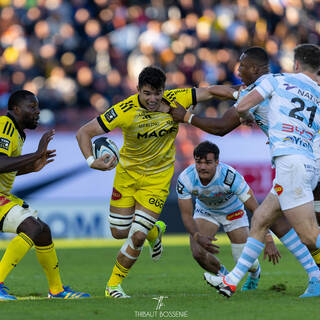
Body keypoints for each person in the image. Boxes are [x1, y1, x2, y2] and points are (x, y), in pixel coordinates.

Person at [76, 66, 238, 298]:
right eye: (147, 93)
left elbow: (211, 91)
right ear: (138, 91)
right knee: (119, 232)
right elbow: (83, 132)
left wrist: (239, 94)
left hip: (157, 179)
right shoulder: (123, 110)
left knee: (137, 235)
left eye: (157, 93)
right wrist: (92, 161)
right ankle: (155, 232)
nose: (153, 99)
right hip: (127, 176)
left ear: (164, 90)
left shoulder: (176, 99)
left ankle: (112, 286)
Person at [171, 47, 320, 289]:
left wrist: (186, 117)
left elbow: (221, 126)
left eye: (242, 67)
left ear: (257, 69)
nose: (238, 71)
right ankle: (312, 276)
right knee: (266, 219)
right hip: (308, 152)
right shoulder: (282, 81)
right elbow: (226, 92)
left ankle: (316, 275)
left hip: (299, 156)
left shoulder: (261, 88)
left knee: (308, 232)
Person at [0, 90, 90, 300]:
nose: (37, 111)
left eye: (37, 106)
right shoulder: (4, 126)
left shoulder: (16, 131)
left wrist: (32, 166)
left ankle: (56, 290)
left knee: (42, 231)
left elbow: (7, 166)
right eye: (32, 107)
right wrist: (36, 153)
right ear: (15, 109)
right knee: (31, 226)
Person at [177, 141, 279, 290]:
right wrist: (197, 236)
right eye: (199, 162)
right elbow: (186, 215)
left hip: (233, 211)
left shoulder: (230, 177)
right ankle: (224, 278)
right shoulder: (186, 179)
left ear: (217, 162)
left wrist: (268, 239)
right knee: (198, 252)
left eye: (208, 162)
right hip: (206, 211)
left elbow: (256, 210)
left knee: (242, 259)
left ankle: (255, 273)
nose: (203, 167)